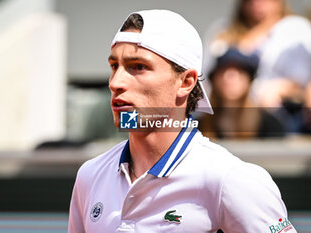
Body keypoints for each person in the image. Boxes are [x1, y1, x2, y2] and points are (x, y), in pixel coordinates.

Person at [68, 9, 297, 233]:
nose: (116, 82)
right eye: (114, 66)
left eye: (138, 67)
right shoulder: (90, 175)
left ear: (186, 82)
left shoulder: (233, 180)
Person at [203, 0, 311, 108]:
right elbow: (204, 75)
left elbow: (309, 82)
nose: (257, 3)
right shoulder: (223, 30)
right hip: (221, 109)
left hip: (274, 110)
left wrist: (280, 88)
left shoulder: (295, 27)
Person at [199, 47, 285, 139]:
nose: (228, 78)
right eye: (223, 71)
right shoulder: (199, 125)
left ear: (249, 80)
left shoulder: (269, 124)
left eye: (239, 71)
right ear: (214, 79)